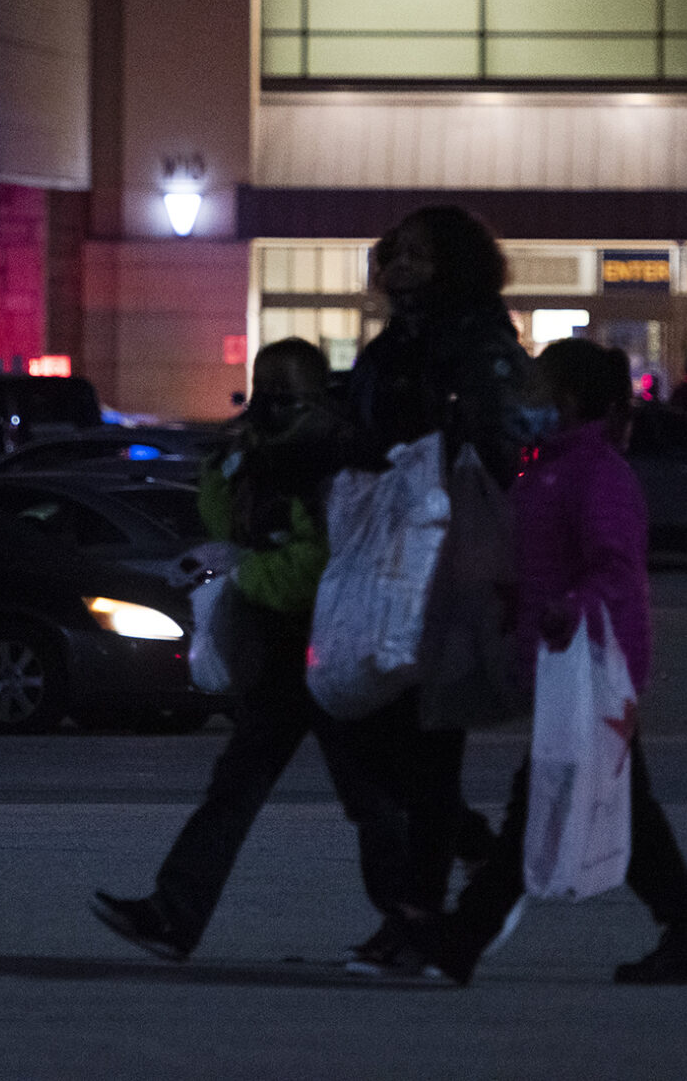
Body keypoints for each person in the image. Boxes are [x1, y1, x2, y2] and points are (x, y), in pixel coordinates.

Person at [93, 337, 439, 963]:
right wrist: (224, 470)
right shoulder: (261, 454)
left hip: (332, 645)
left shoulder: (336, 458)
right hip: (282, 650)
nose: (271, 408)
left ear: (316, 397)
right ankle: (174, 915)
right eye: (263, 394)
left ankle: (412, 924)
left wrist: (246, 572)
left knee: (371, 796)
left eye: (286, 396)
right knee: (240, 788)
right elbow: (227, 526)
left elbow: (318, 563)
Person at [411, 338, 687, 986]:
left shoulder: (596, 474)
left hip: (594, 663)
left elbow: (613, 569)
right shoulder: (548, 470)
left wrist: (568, 611)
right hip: (570, 661)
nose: (523, 402)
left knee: (540, 799)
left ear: (569, 400)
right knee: (617, 804)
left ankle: (460, 941)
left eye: (535, 389)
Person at [335, 203, 542, 969]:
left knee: (424, 747)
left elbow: (497, 448)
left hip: (445, 562)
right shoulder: (393, 345)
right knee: (369, 739)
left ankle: (416, 915)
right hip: (382, 556)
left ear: (453, 264)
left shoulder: (479, 344)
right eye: (395, 253)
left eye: (418, 254)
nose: (401, 266)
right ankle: (464, 859)